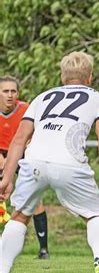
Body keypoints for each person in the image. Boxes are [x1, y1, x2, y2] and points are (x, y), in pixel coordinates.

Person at [0, 52, 99, 273]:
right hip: (69, 162)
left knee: (19, 216)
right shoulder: (98, 98)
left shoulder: (42, 97)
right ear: (89, 77)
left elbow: (19, 139)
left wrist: (7, 178)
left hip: (34, 162)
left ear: (62, 76)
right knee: (94, 216)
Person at [0, 76, 50, 259]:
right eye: (5, 91)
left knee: (35, 201)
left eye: (13, 91)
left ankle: (44, 250)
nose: (10, 95)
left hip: (23, 154)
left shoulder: (25, 109)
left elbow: (32, 135)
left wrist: (16, 156)